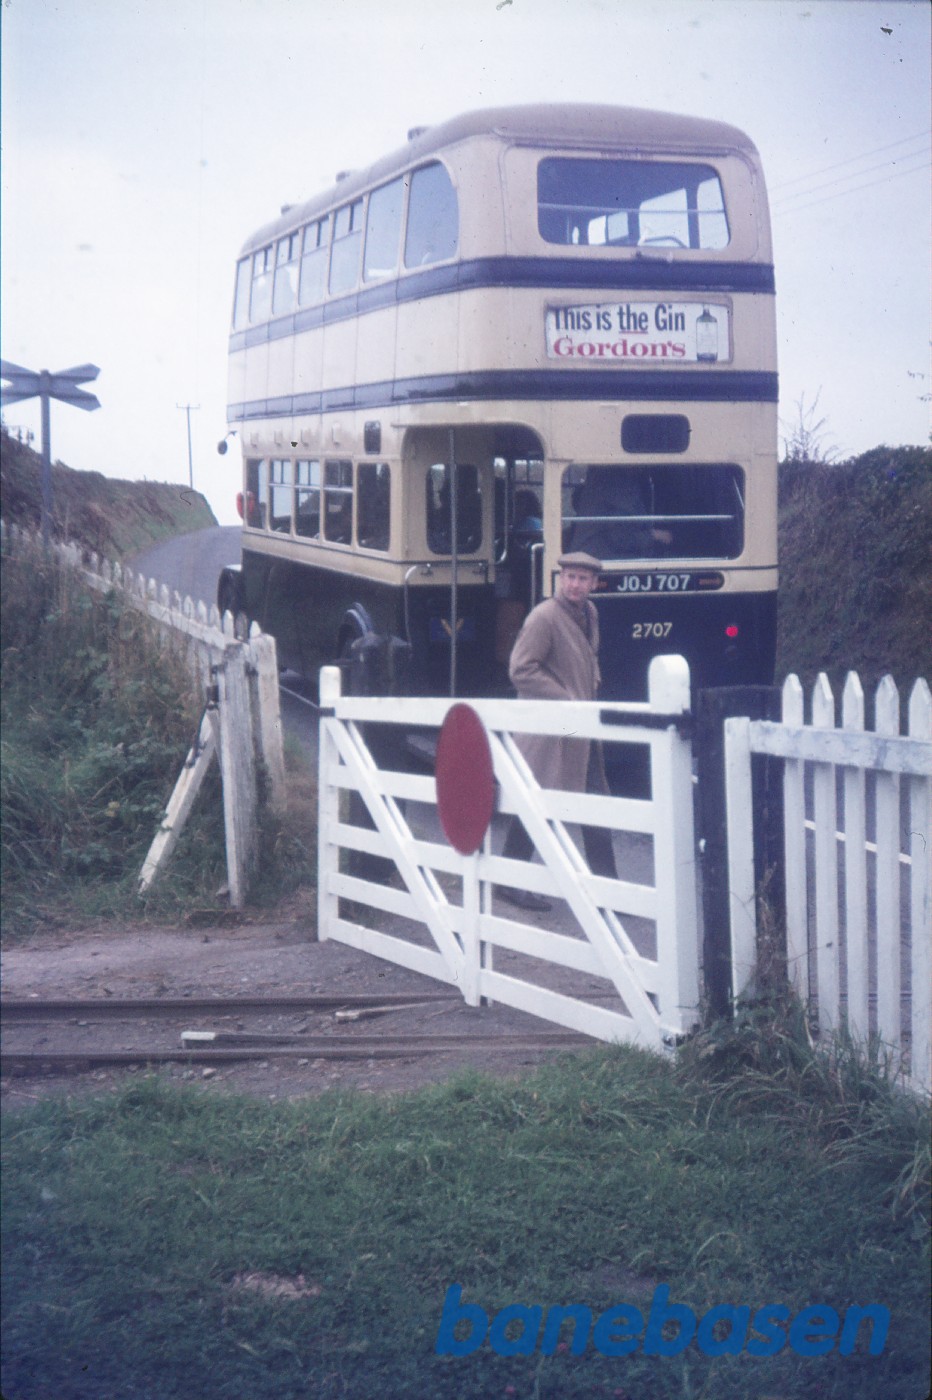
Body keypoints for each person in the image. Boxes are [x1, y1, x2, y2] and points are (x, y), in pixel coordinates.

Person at [498, 551, 616, 912]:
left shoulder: (590, 613)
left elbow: (585, 657)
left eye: (583, 579)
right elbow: (521, 669)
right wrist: (565, 698)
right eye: (570, 577)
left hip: (579, 724)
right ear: (560, 579)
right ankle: (510, 881)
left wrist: (590, 682)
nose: (576, 584)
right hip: (551, 727)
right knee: (541, 802)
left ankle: (607, 888)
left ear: (594, 583)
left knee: (594, 801)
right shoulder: (544, 617)